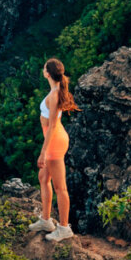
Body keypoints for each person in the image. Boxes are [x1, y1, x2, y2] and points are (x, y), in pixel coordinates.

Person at [28, 57, 80, 241]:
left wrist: (43, 152)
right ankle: (46, 220)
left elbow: (51, 126)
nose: (43, 69)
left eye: (44, 68)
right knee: (43, 178)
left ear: (47, 73)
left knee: (60, 187)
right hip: (55, 139)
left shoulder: (54, 95)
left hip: (55, 143)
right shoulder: (55, 91)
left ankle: (64, 228)